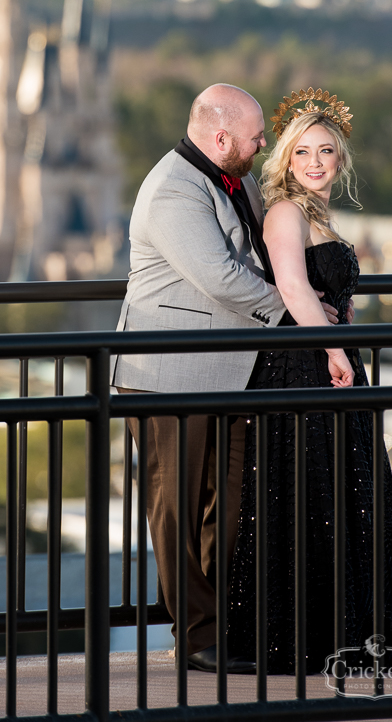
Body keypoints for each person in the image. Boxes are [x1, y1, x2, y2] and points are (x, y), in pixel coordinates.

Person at [111, 84, 339, 674]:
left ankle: (229, 623)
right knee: (176, 511)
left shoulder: (233, 182)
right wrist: (297, 307)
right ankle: (196, 636)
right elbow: (220, 277)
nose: (265, 143)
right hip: (164, 376)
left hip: (229, 372)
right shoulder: (173, 190)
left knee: (233, 503)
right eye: (256, 135)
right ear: (221, 138)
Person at [227, 89, 392, 672]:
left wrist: (343, 337)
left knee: (351, 498)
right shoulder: (285, 213)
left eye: (327, 151)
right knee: (310, 496)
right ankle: (302, 640)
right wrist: (333, 349)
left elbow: (334, 296)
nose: (317, 162)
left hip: (335, 362)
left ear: (341, 159)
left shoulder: (321, 214)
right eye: (304, 152)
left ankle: (365, 635)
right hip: (302, 368)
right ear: (287, 160)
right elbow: (293, 289)